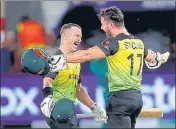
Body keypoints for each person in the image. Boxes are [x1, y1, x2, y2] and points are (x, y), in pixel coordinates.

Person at [51, 6, 170, 128]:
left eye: (103, 24)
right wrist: (162, 57)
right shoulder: (138, 43)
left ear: (111, 24)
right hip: (136, 99)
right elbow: (154, 59)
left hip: (120, 100)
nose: (102, 28)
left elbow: (87, 54)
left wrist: (61, 59)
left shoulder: (113, 43)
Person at [21, 23, 107, 128]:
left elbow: (78, 89)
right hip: (60, 113)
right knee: (66, 106)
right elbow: (47, 80)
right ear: (65, 36)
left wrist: (94, 107)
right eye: (76, 36)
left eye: (80, 36)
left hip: (68, 114)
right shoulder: (57, 59)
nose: (79, 39)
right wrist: (48, 98)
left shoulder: (75, 62)